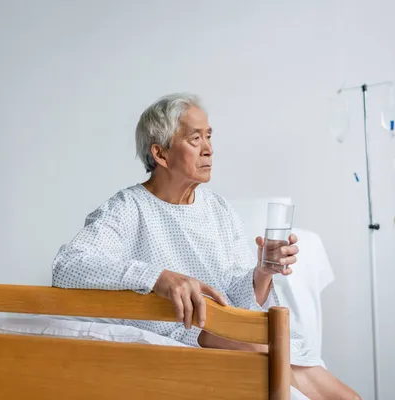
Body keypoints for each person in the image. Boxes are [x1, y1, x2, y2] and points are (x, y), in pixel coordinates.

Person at [52, 93, 360, 399]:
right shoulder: (128, 208)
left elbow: (237, 295)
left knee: (349, 398)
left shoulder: (219, 209)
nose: (209, 149)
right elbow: (67, 267)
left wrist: (262, 271)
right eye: (195, 138)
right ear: (160, 154)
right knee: (266, 353)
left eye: (209, 137)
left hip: (235, 326)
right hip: (191, 330)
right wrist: (159, 277)